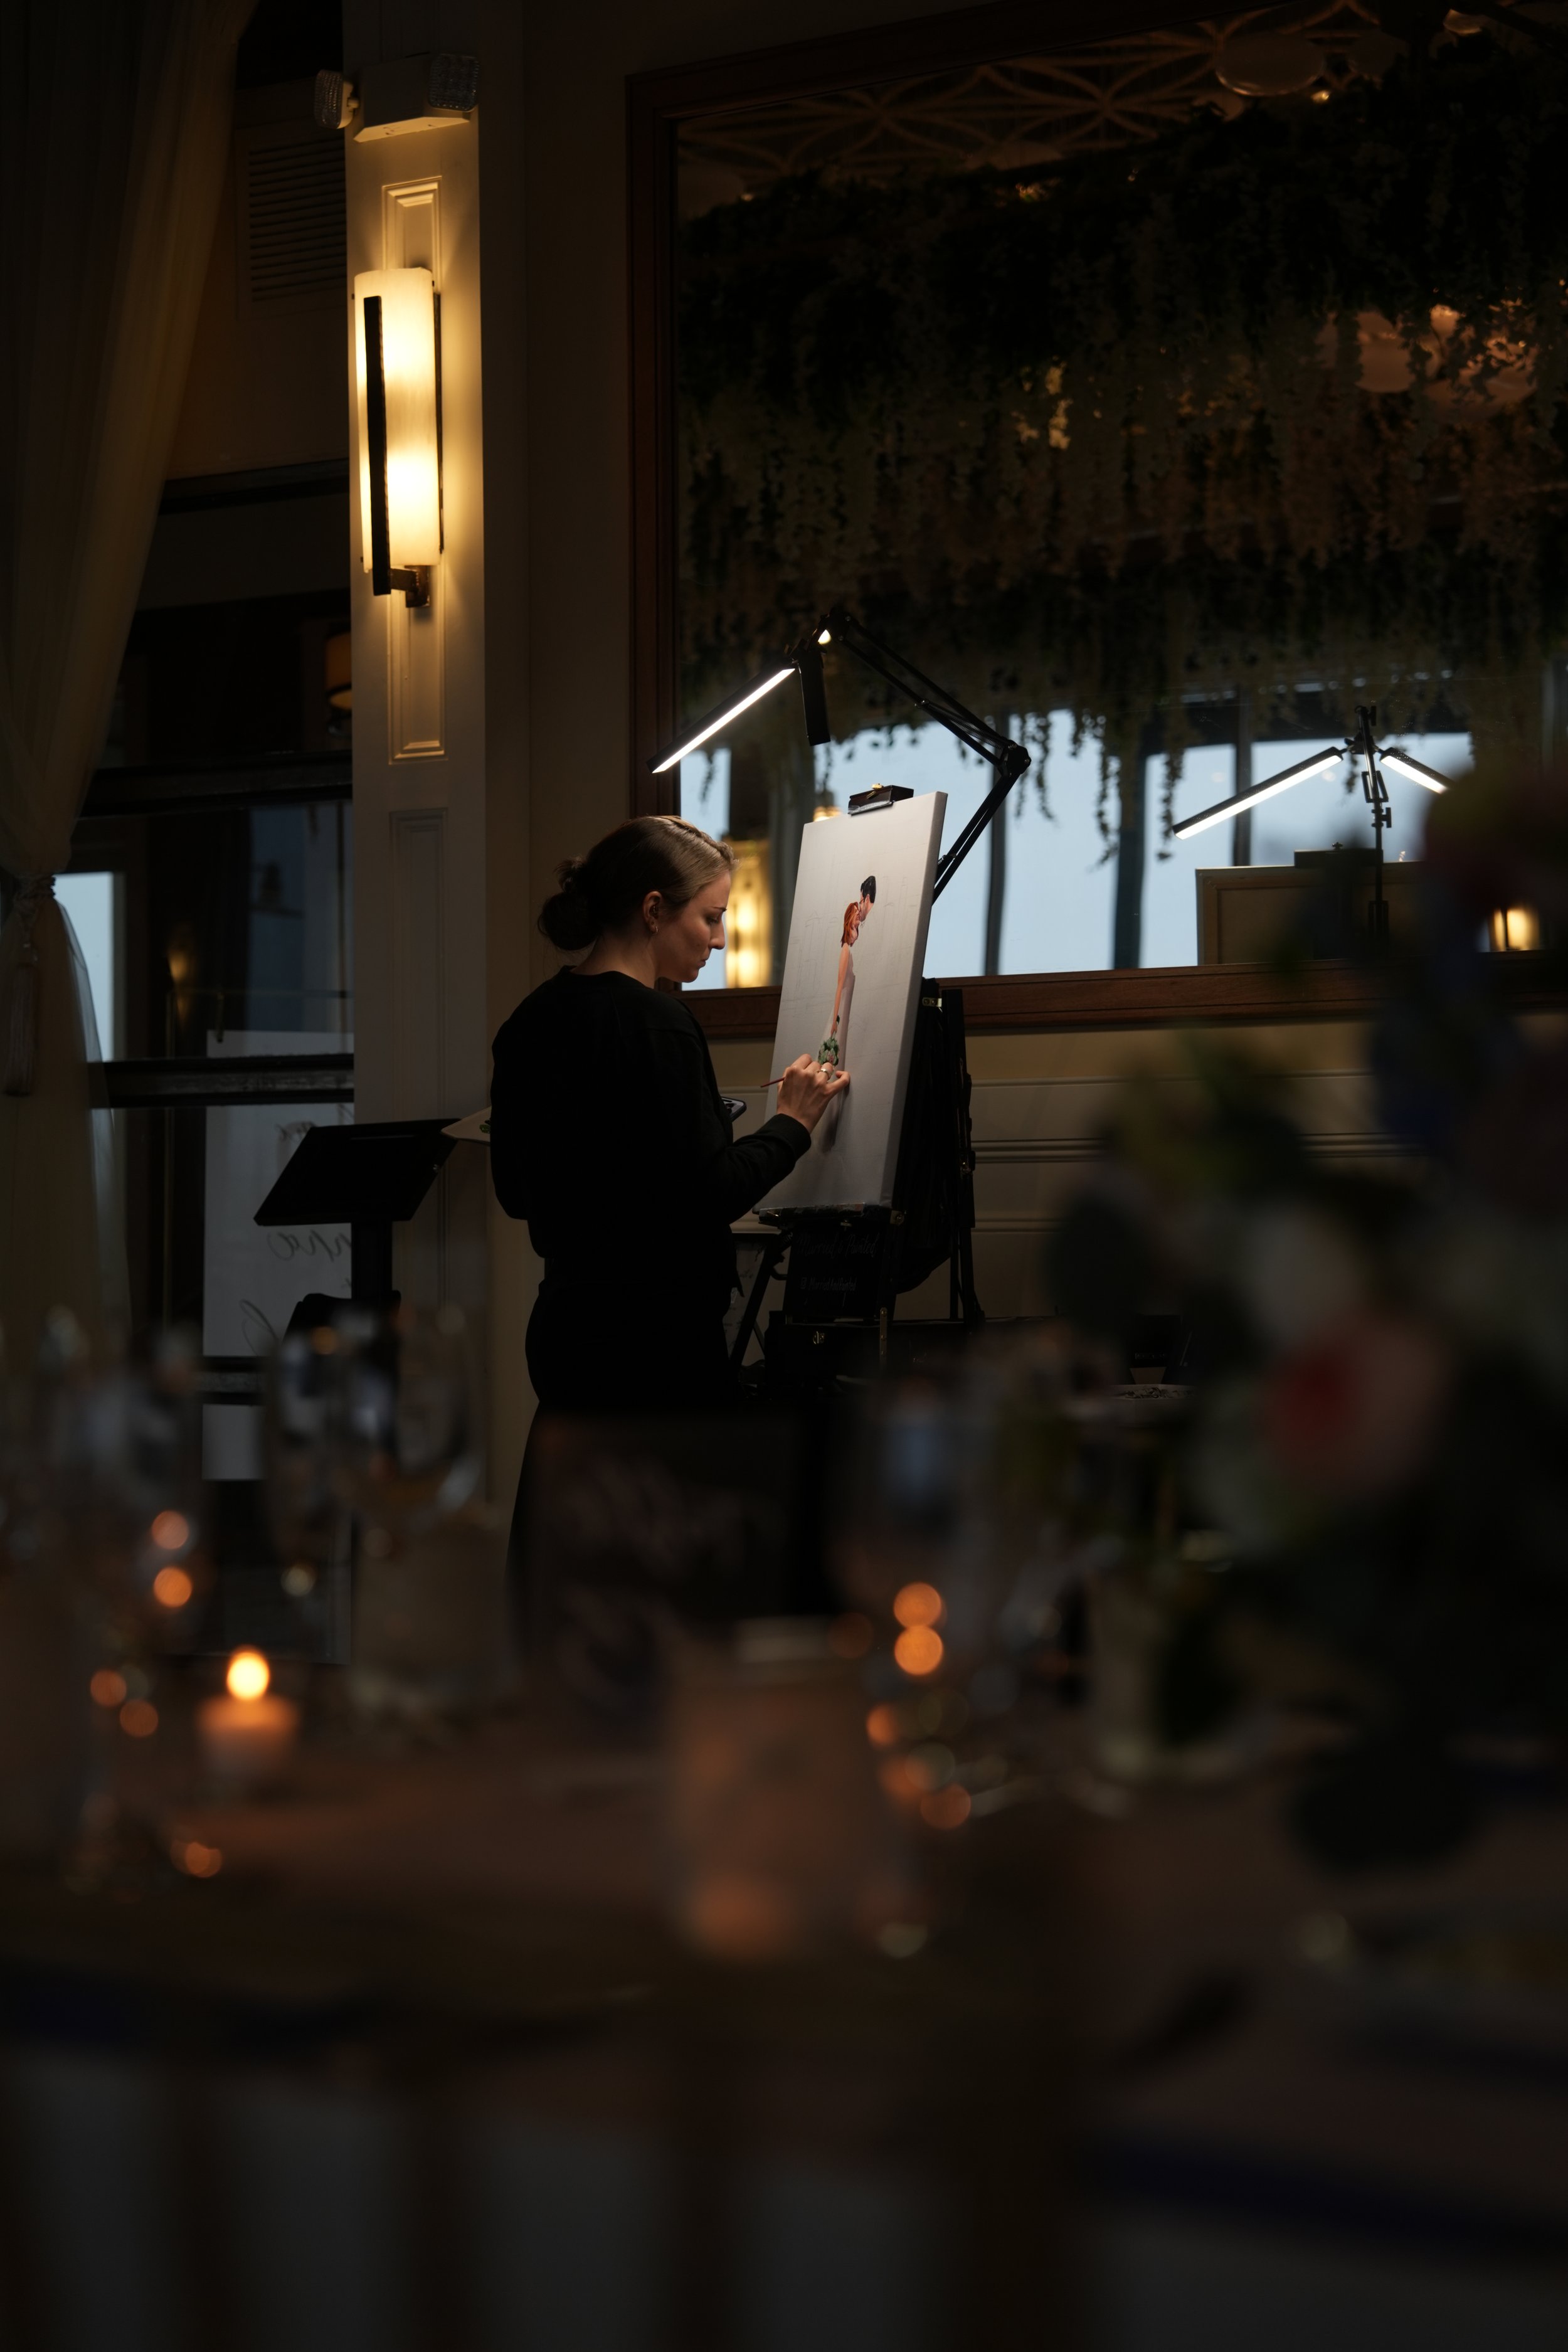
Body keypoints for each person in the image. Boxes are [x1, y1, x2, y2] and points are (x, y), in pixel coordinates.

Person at [489, 815, 847, 1417]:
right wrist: (793, 1120)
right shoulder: (657, 1022)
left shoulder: (529, 1021)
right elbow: (713, 1191)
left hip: (563, 1336)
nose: (720, 940)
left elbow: (516, 1193)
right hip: (655, 1345)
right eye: (711, 917)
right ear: (653, 910)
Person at [819, 874, 874, 1152]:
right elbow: (839, 988)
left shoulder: (851, 949)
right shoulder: (844, 951)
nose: (858, 921)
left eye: (858, 916)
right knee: (834, 1067)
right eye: (854, 918)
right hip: (840, 1017)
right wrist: (836, 1022)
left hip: (846, 1014)